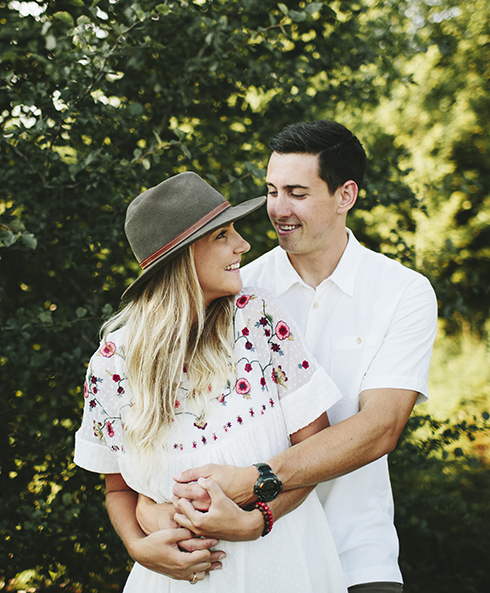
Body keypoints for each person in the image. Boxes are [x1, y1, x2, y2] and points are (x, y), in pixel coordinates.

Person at [168, 121, 438, 593]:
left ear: (345, 195)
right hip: (249, 560)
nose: (278, 209)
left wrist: (257, 480)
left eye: (296, 192)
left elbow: (380, 428)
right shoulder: (236, 291)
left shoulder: (403, 292)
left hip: (358, 555)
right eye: (271, 191)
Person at [73, 171, 348, 591]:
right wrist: (136, 545)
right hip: (176, 580)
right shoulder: (112, 362)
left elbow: (313, 454)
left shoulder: (258, 320)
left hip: (283, 564)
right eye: (223, 235)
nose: (243, 244)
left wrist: (259, 519)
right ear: (180, 258)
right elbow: (117, 488)